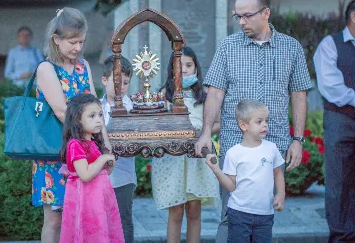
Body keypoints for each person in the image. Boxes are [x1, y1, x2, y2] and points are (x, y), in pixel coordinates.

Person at [195, 0, 312, 243]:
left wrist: (297, 139)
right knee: (230, 215)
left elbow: (299, 95)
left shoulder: (290, 48)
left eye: (247, 16)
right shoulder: (228, 46)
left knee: (262, 215)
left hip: (273, 147)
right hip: (234, 146)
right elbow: (214, 93)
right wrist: (206, 133)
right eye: (238, 17)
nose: (242, 22)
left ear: (266, 13)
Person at [32, 7, 112, 243]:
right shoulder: (46, 69)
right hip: (55, 154)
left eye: (81, 42)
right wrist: (92, 135)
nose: (78, 48)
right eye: (72, 42)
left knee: (84, 215)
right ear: (56, 39)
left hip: (84, 153)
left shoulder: (83, 66)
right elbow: (61, 112)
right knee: (55, 220)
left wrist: (105, 144)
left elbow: (95, 107)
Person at [151, 46, 220, 243]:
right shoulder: (165, 94)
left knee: (193, 209)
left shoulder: (204, 94)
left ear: (196, 67)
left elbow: (217, 123)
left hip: (196, 157)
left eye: (188, 65)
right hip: (172, 158)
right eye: (178, 66)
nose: (184, 70)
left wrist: (201, 134)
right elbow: (158, 123)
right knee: (175, 210)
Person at [206, 99, 285, 243]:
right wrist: (216, 169)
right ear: (243, 125)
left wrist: (280, 194)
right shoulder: (234, 153)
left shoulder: (272, 148)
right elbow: (231, 186)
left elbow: (278, 172)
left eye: (266, 121)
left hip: (265, 214)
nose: (265, 125)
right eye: (259, 121)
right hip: (239, 214)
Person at [313, 0, 355, 242]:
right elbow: (332, 89)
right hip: (341, 121)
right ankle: (340, 237)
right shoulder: (330, 45)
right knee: (339, 182)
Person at [58, 93, 124, 243]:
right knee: (91, 234)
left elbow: (102, 173)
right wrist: (102, 158)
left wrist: (109, 161)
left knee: (101, 232)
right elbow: (85, 174)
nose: (99, 120)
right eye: (92, 116)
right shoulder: (76, 144)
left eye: (100, 115)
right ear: (77, 120)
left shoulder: (93, 142)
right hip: (86, 201)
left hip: (99, 200)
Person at [101, 55, 136, 243]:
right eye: (116, 82)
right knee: (101, 220)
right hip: (98, 176)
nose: (120, 87)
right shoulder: (96, 108)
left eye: (125, 83)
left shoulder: (133, 108)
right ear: (104, 80)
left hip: (124, 176)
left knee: (124, 220)